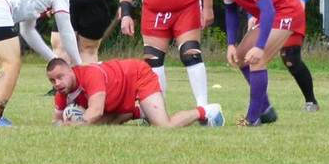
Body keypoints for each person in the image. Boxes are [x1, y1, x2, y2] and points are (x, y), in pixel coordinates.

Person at [198, 0, 304, 127]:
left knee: (256, 59)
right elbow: (231, 10)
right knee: (240, 58)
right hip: (270, 13)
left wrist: (260, 47)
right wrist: (231, 44)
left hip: (286, 11)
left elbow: (269, 11)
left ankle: (252, 117)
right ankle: (266, 109)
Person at [46, 58, 224, 128]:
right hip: (117, 95)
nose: (57, 83)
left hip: (138, 75)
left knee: (164, 126)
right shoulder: (62, 92)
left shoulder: (90, 75)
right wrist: (59, 124)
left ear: (71, 71)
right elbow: (56, 119)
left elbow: (96, 111)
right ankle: (139, 112)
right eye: (53, 81)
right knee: (100, 124)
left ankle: (206, 111)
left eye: (60, 77)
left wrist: (75, 124)